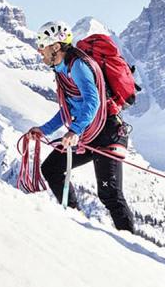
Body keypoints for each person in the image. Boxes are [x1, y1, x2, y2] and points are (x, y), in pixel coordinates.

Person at [28, 20, 136, 232]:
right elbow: (69, 109)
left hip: (108, 133)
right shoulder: (61, 68)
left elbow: (92, 101)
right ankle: (76, 222)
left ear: (56, 47)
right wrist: (44, 130)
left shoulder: (77, 65)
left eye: (43, 45)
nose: (39, 50)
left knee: (110, 194)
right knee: (51, 168)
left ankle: (133, 247)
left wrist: (75, 131)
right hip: (89, 134)